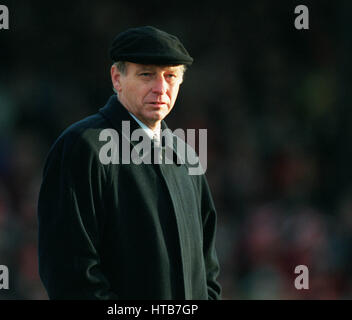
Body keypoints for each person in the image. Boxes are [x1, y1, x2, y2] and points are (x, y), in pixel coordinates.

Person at [37, 26, 221, 300]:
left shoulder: (185, 155)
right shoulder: (82, 147)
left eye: (170, 76)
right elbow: (71, 274)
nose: (160, 88)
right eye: (146, 74)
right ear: (117, 78)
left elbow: (207, 270)